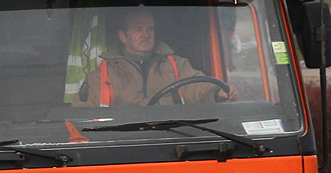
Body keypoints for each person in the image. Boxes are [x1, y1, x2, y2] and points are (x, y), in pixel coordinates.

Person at [74, 7, 237, 106]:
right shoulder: (102, 74)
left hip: (173, 138)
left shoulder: (176, 65)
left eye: (150, 29)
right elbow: (82, 114)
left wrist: (217, 93)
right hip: (121, 145)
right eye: (138, 29)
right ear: (123, 36)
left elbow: (198, 87)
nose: (146, 34)